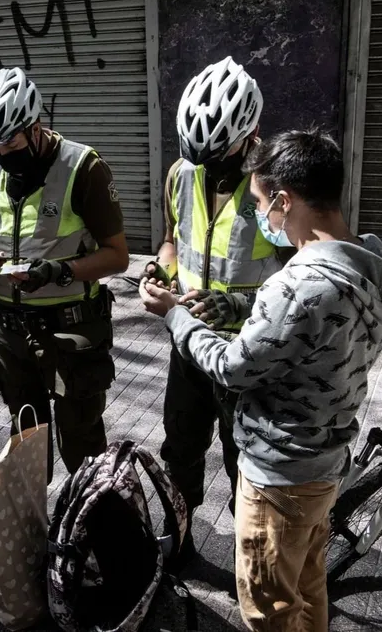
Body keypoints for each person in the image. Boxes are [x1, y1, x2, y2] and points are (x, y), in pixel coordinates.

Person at [140, 128, 382, 632]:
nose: (264, 217)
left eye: (263, 203)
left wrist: (175, 317)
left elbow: (233, 369)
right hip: (327, 459)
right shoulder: (376, 264)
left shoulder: (296, 285)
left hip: (279, 472)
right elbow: (306, 326)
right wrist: (241, 304)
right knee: (308, 585)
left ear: (285, 201)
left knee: (267, 606)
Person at [0, 67, 129, 479]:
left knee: (82, 441)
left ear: (35, 127)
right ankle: (35, 531)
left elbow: (117, 256)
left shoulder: (83, 167)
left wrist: (59, 270)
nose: (2, 153)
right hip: (9, 335)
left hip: (70, 334)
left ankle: (95, 533)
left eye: (10, 142)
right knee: (27, 439)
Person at [149, 56, 290, 523]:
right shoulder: (181, 173)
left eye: (216, 157)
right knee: (181, 448)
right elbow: (172, 242)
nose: (205, 167)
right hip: (188, 344)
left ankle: (244, 558)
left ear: (249, 135)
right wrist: (159, 273)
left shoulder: (275, 187)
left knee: (244, 460)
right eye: (197, 156)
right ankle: (180, 532)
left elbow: (304, 283)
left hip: (247, 353)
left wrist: (237, 304)